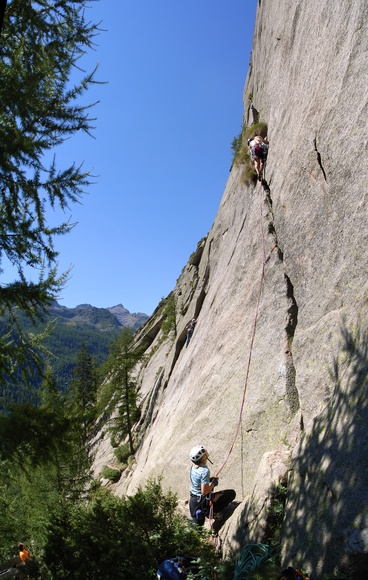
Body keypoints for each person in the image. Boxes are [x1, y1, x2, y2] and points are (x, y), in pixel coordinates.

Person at [189, 445, 236, 526]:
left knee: (198, 526)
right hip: (204, 501)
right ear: (203, 458)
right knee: (231, 494)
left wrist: (209, 479)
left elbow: (197, 481)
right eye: (205, 453)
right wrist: (214, 483)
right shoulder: (204, 471)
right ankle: (212, 512)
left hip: (194, 501)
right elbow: (204, 492)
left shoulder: (193, 467)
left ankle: (207, 512)